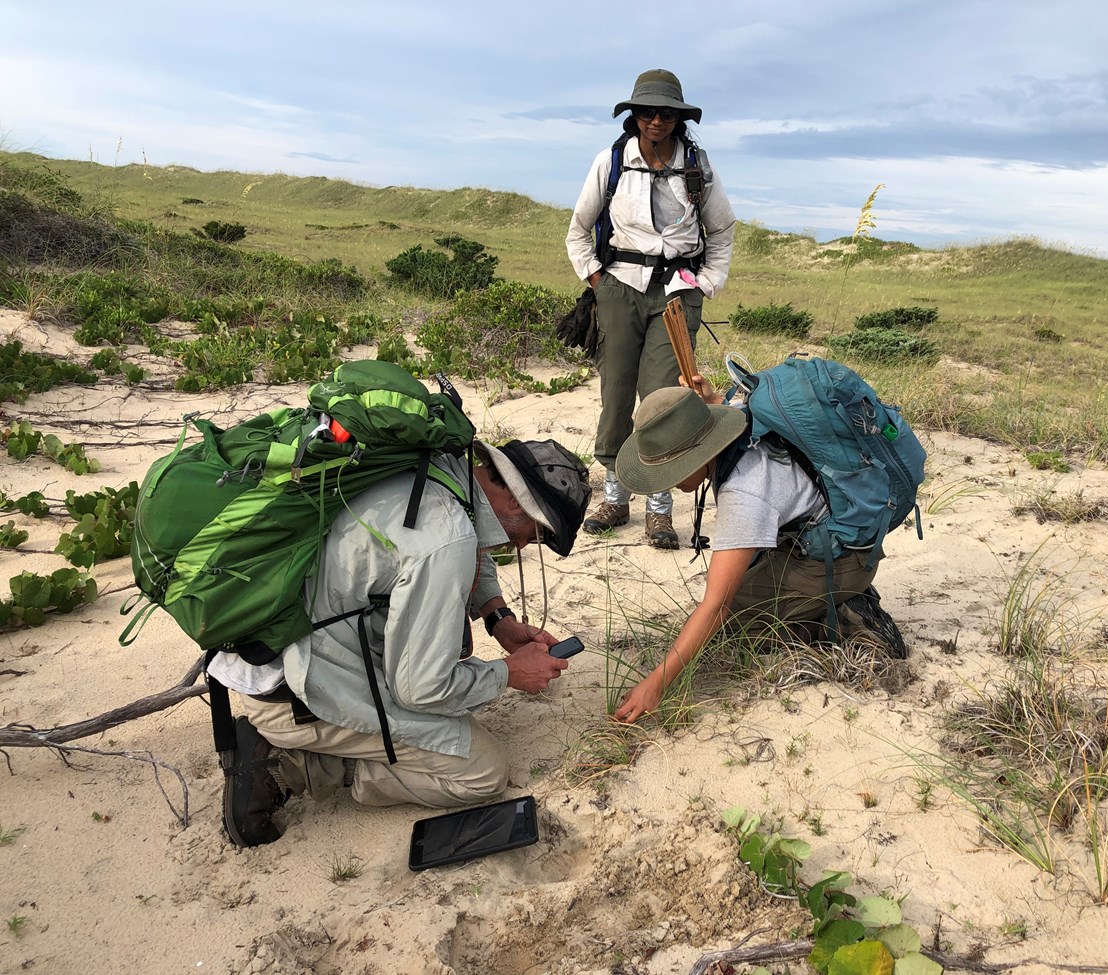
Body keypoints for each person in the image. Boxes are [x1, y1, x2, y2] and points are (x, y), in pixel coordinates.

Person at [217, 438, 592, 847]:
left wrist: (496, 617)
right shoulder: (448, 539)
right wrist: (508, 674)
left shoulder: (446, 468)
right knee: (484, 770)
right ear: (518, 504)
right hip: (298, 693)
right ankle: (294, 764)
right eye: (535, 534)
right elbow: (421, 689)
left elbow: (470, 544)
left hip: (274, 654)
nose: (522, 546)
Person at [610, 381, 883, 723]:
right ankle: (824, 599)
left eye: (670, 471)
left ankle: (844, 620)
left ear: (699, 453)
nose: (666, 483)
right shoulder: (737, 423)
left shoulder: (745, 494)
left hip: (842, 558)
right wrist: (710, 399)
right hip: (819, 538)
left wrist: (656, 684)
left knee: (734, 626)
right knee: (736, 599)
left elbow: (716, 608)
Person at [566, 68, 736, 550]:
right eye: (646, 111)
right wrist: (598, 282)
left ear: (679, 117)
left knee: (664, 397)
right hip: (618, 286)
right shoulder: (613, 160)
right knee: (616, 393)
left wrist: (706, 283)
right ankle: (616, 498)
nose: (655, 120)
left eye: (665, 112)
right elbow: (578, 228)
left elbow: (721, 230)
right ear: (633, 115)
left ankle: (659, 510)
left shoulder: (697, 165)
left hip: (677, 293)